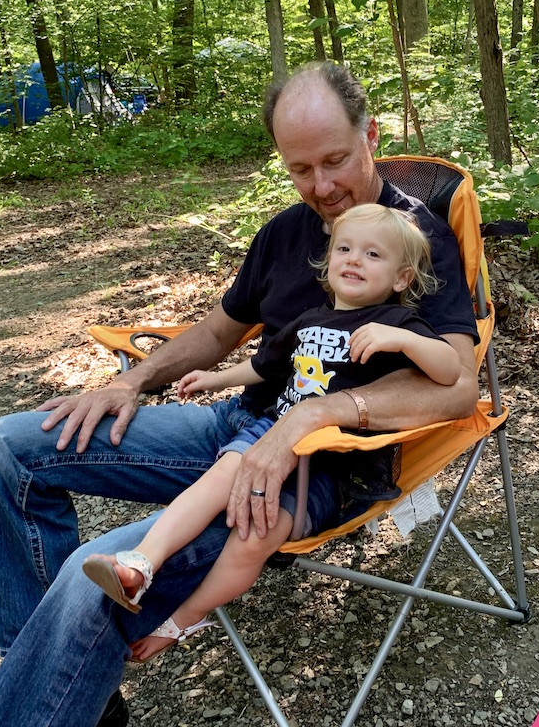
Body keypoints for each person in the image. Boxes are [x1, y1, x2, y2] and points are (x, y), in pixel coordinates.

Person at [0, 61, 479, 727]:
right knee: (8, 447)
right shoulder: (283, 234)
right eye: (301, 170)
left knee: (88, 585)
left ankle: (45, 688)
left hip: (310, 465)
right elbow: (217, 332)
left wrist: (320, 415)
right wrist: (131, 381)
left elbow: (458, 387)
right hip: (237, 425)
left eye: (336, 161)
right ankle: (42, 678)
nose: (322, 187)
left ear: (371, 136)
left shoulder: (415, 240)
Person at [82, 203, 461, 662]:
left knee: (255, 538)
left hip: (329, 469)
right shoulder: (309, 321)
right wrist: (213, 378)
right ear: (328, 260)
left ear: (401, 279)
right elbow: (263, 367)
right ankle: (140, 563)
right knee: (220, 478)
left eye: (372, 255)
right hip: (270, 432)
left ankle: (182, 619)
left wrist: (405, 341)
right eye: (344, 248)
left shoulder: (397, 324)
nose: (354, 259)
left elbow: (449, 371)